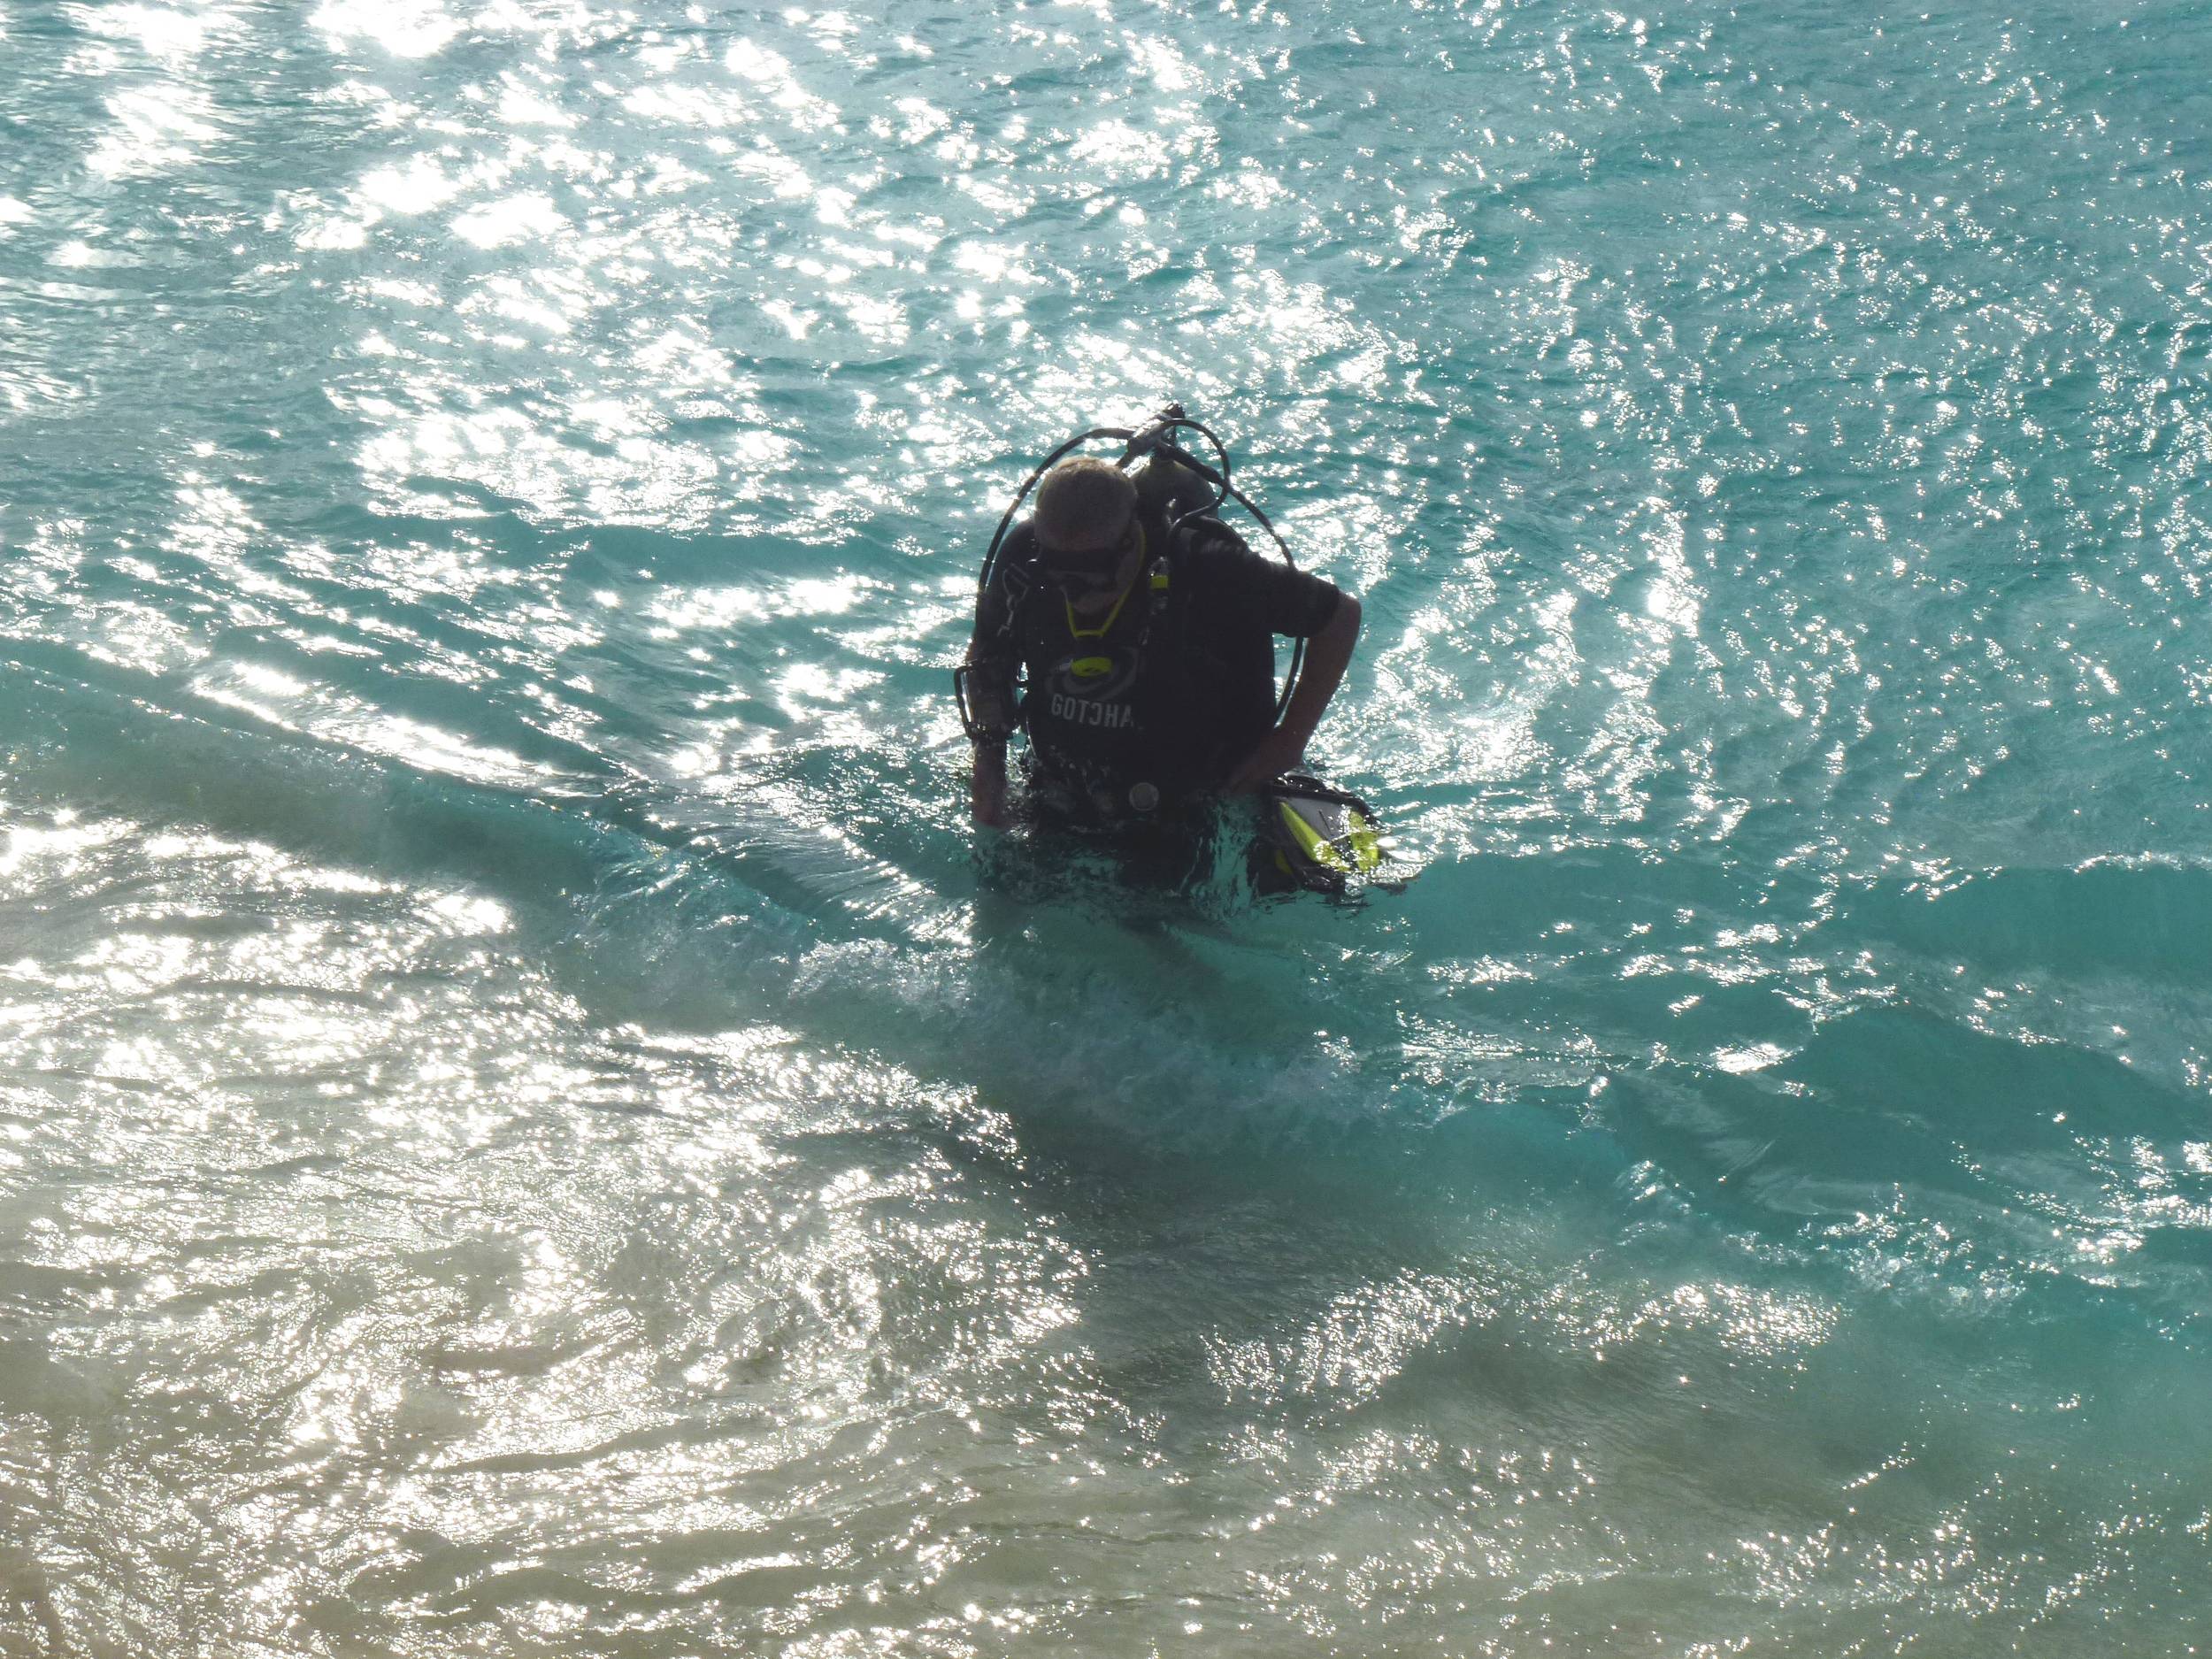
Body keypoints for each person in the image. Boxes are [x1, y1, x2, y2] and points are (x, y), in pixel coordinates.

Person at [959, 448, 1362, 848]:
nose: (1074, 591)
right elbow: (989, 651)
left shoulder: (1206, 566)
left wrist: (1290, 740)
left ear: (1130, 538)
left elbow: (1340, 615)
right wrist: (989, 760)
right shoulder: (1022, 560)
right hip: (1063, 776)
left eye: (1090, 572)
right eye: (1056, 570)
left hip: (1189, 792)